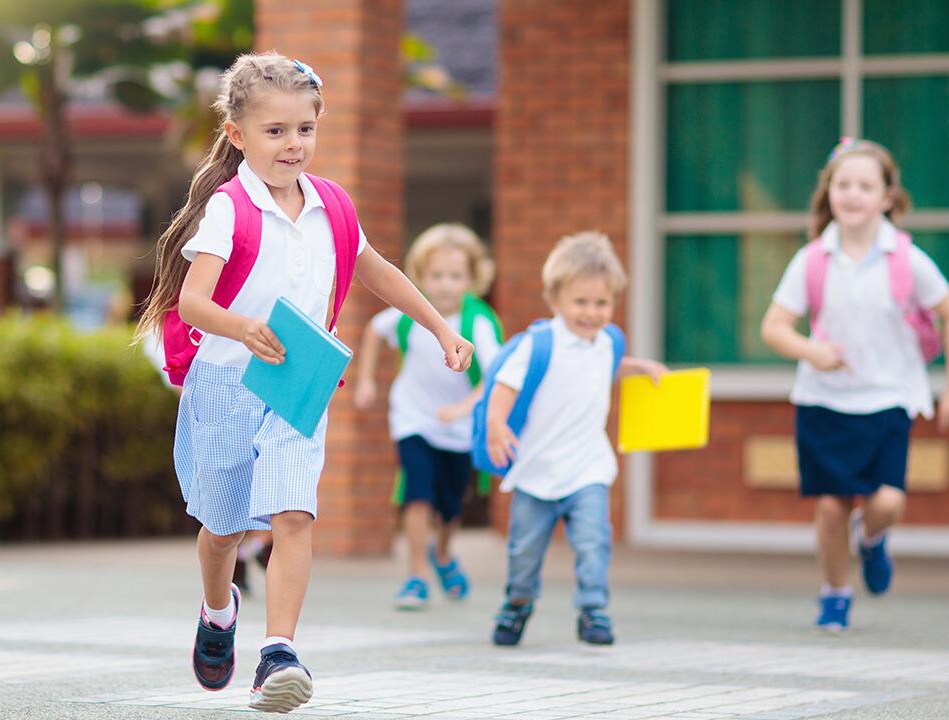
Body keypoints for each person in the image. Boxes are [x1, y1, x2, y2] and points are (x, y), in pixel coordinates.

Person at [133, 52, 473, 713]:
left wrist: (439, 327)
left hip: (296, 386)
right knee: (223, 530)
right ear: (237, 136)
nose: (294, 145)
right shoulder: (231, 209)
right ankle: (217, 610)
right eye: (276, 131)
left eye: (305, 129)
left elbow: (379, 273)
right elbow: (194, 302)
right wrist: (241, 327)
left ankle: (278, 653)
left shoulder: (332, 206)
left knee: (294, 514)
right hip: (226, 383)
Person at [760, 138, 949, 633]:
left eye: (865, 186)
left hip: (889, 397)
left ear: (886, 197)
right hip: (824, 402)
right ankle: (835, 594)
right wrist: (813, 351)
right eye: (843, 184)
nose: (853, 194)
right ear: (829, 192)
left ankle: (873, 539)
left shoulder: (906, 259)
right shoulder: (813, 259)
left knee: (887, 501)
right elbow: (774, 326)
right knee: (831, 508)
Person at [483, 231, 666, 647]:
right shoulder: (539, 343)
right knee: (524, 551)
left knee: (593, 541)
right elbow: (504, 388)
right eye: (580, 302)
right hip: (536, 470)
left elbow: (609, 367)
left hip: (588, 468)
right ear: (555, 299)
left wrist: (640, 368)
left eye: (601, 303)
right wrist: (496, 425)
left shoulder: (608, 343)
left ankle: (593, 609)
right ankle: (518, 602)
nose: (591, 313)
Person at [353, 223, 503, 610]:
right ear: (420, 276)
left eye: (456, 276)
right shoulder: (410, 313)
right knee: (418, 493)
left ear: (473, 278)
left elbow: (497, 377)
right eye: (436, 275)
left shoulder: (480, 322)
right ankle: (416, 575)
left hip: (459, 427)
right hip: (413, 418)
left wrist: (463, 408)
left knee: (451, 505)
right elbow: (372, 331)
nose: (446, 285)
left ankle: (443, 553)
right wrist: (366, 380)